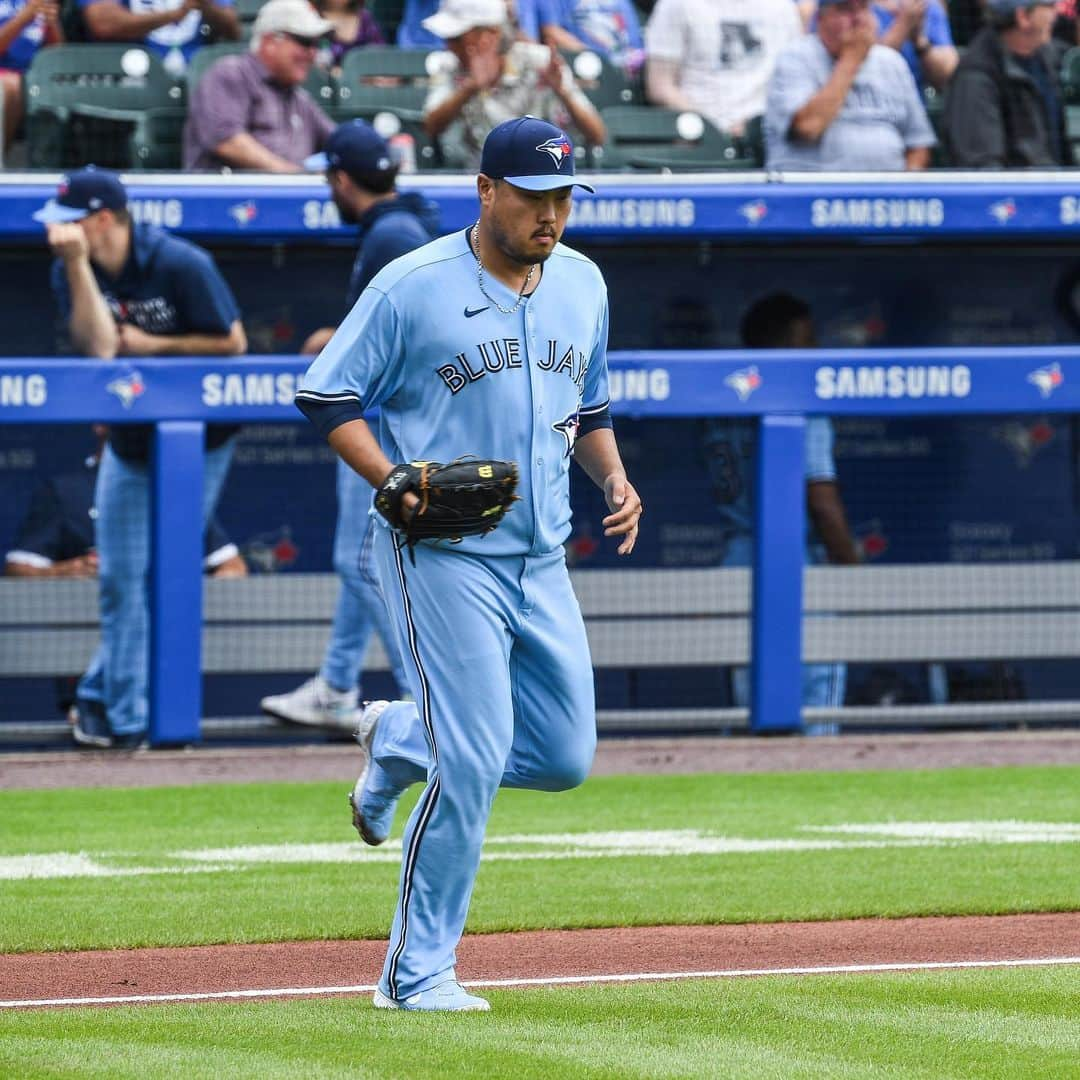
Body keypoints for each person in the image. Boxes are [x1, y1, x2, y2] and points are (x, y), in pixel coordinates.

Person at [295, 116, 642, 1011]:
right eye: (533, 196)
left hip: (542, 557)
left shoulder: (584, 284)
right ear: (486, 191)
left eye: (564, 197)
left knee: (565, 756)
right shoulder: (413, 284)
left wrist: (614, 479)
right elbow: (324, 389)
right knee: (476, 759)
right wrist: (391, 479)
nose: (551, 215)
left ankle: (395, 739)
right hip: (441, 553)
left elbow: (589, 407)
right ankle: (416, 975)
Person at [34, 167, 246, 750]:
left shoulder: (179, 262)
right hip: (130, 443)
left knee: (163, 574)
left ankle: (113, 706)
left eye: (70, 223)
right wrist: (77, 265)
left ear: (103, 218)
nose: (58, 234)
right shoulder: (68, 269)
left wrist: (155, 347)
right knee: (122, 582)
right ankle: (123, 717)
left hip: (200, 440)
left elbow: (233, 341)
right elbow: (100, 347)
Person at [260, 119, 440, 729]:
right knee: (364, 557)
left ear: (342, 178)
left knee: (359, 559)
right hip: (399, 411)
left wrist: (332, 340)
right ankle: (338, 683)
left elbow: (404, 337)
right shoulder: (398, 224)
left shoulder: (394, 233)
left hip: (386, 420)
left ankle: (429, 698)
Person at [703, 293, 858, 727]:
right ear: (782, 344)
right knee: (815, 701)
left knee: (749, 705)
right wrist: (854, 572)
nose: (815, 351)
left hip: (736, 558)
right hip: (793, 561)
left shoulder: (720, 404)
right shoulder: (798, 398)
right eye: (807, 340)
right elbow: (822, 504)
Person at [5, 429, 247, 580]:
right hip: (86, 624)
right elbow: (17, 570)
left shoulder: (169, 490)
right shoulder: (65, 492)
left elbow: (232, 566)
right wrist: (64, 573)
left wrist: (191, 593)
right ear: (100, 426)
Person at [421, 0, 605, 170]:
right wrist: (470, 88)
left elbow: (597, 135)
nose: (448, 46)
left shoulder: (540, 62)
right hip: (478, 177)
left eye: (456, 38)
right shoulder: (449, 64)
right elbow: (431, 128)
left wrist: (562, 93)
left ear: (491, 35)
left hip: (539, 176)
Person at [765, 0, 937, 170]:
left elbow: (918, 144)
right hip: (815, 190)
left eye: (863, 8)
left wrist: (907, 189)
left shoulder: (891, 63)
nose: (858, 18)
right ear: (820, 19)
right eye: (845, 9)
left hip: (887, 192)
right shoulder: (795, 58)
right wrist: (851, 60)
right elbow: (808, 127)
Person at [183, 0, 335, 172]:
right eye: (305, 42)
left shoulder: (298, 98)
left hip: (289, 195)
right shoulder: (232, 74)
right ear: (270, 41)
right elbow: (225, 140)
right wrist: (294, 176)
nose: (312, 53)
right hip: (229, 196)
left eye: (316, 45)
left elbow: (339, 141)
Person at [645, 0, 803, 136]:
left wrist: (761, 125)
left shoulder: (782, 8)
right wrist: (713, 130)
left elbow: (795, 84)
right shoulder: (676, 5)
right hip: (700, 137)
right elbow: (661, 88)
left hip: (769, 135)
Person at [943, 0, 1065, 168]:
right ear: (1023, 17)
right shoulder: (976, 75)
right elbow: (984, 166)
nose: (1056, 13)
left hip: (1055, 184)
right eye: (1049, 6)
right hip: (1017, 190)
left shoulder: (1046, 57)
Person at [77, 0, 239, 76]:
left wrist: (205, 6)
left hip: (197, 77)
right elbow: (104, 23)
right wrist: (174, 15)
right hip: (131, 76)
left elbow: (232, 32)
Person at [0, 0, 61, 150]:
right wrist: (23, 18)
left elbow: (59, 54)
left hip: (36, 77)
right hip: (6, 75)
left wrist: (52, 24)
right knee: (11, 85)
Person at [533, 0, 646, 76]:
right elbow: (551, 32)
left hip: (629, 71)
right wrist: (602, 62)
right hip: (587, 70)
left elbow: (635, 43)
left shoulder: (623, 2)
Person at [872, 0, 958, 92]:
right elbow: (868, 70)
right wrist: (903, 25)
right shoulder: (859, 9)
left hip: (914, 102)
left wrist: (919, 40)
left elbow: (949, 76)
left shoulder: (925, 6)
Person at [315, 0, 383, 73]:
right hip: (322, 81)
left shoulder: (365, 18)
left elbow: (379, 57)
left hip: (360, 79)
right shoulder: (312, 16)